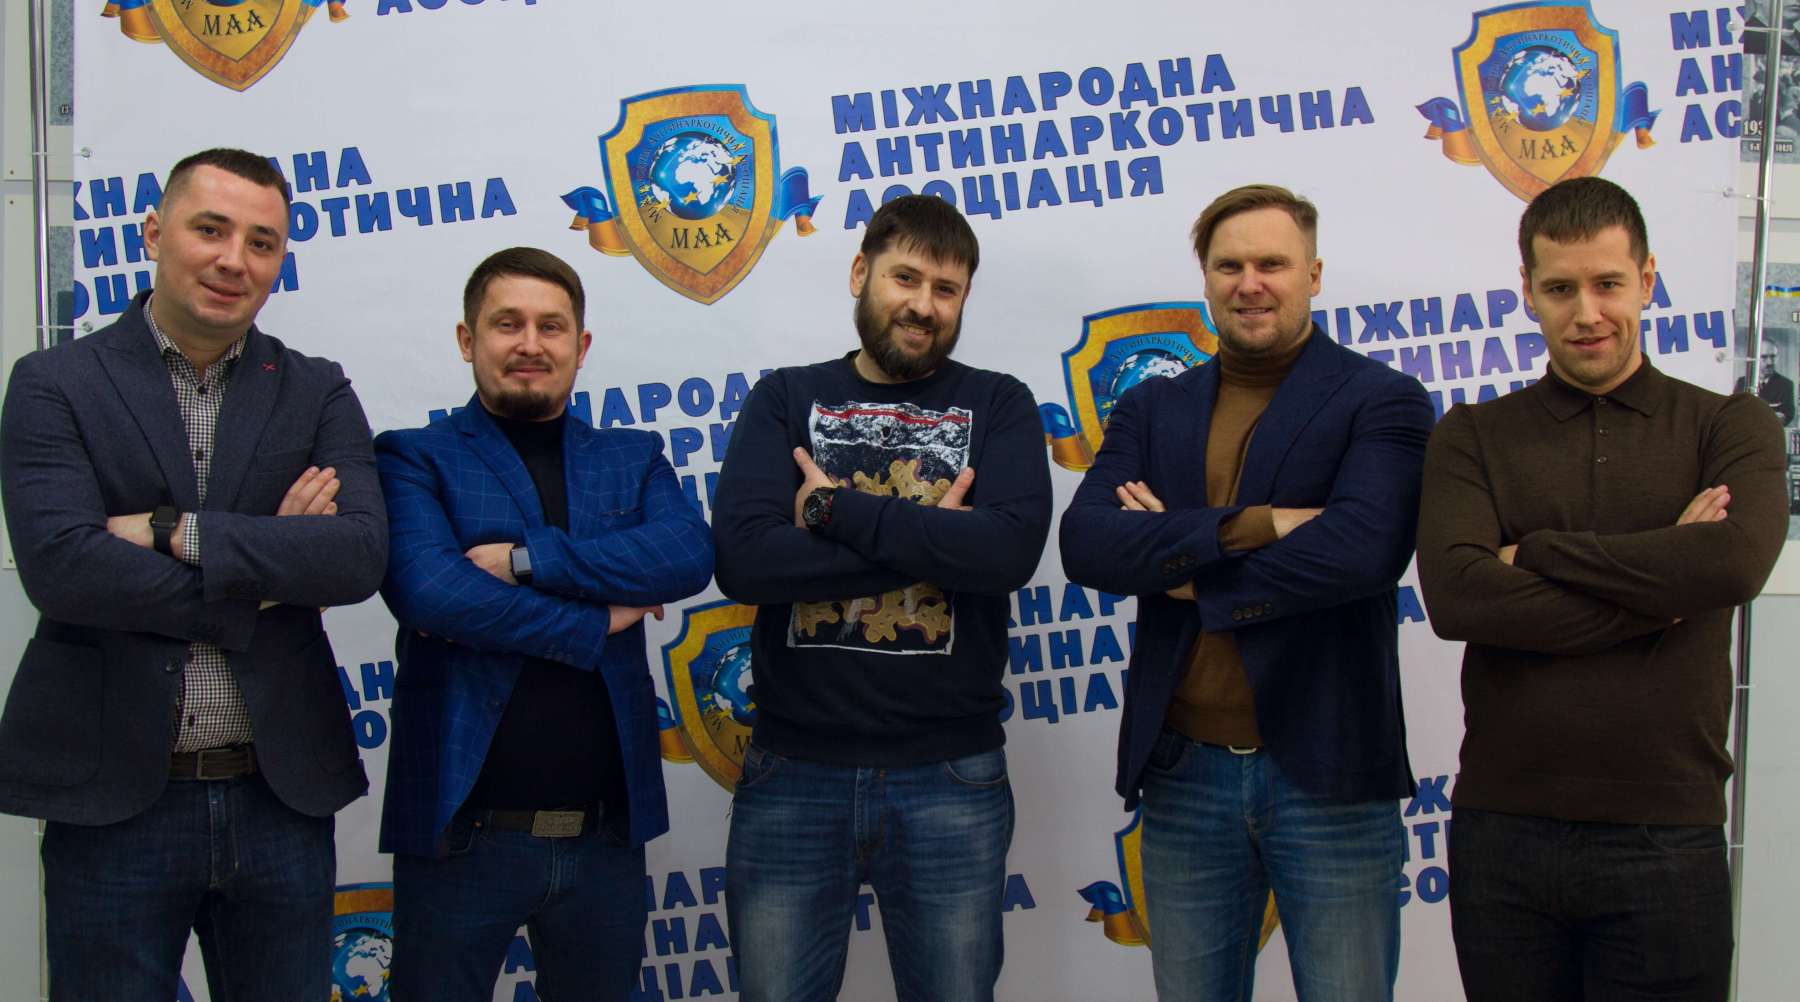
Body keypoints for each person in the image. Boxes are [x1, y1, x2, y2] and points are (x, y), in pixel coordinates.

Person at [0, 147, 387, 1000]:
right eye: (210, 229)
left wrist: (173, 532)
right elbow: (64, 568)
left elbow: (357, 555)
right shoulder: (54, 383)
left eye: (261, 242)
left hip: (279, 798)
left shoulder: (316, 390)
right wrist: (266, 571)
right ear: (153, 234)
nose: (232, 260)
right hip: (113, 799)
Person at [1416, 176, 1787, 1002]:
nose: (1586, 313)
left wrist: (1538, 552)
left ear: (1647, 281)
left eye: (1608, 283)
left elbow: (1732, 566)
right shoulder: (1471, 436)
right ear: (1528, 292)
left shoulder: (1731, 426)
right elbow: (1460, 597)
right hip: (1504, 836)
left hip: (1668, 836)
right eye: (1560, 289)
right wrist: (1666, 587)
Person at [1060, 183, 1432, 1001]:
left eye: (1272, 264)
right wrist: (1257, 525)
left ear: (1314, 274)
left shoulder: (1383, 399)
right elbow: (1087, 542)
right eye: (1229, 266)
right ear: (1205, 278)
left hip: (1331, 777)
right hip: (1184, 776)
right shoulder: (1151, 407)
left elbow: (1362, 551)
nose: (1249, 284)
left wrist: (1181, 568)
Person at [710, 194, 1052, 1002]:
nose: (923, 305)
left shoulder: (999, 403)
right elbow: (745, 561)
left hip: (951, 776)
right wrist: (934, 541)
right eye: (906, 278)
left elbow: (1005, 553)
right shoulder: (786, 398)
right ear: (861, 272)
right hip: (794, 773)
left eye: (946, 289)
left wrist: (834, 512)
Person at [375, 246, 713, 1001]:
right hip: (461, 837)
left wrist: (528, 561)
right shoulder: (413, 458)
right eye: (508, 324)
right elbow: (434, 593)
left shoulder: (633, 456)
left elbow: (688, 554)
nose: (530, 344)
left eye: (551, 326)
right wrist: (601, 621)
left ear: (580, 345)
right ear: (467, 339)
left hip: (605, 841)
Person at [1735, 341, 1795, 426]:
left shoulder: (1786, 385)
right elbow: (1735, 412)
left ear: (1777, 358)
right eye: (1764, 357)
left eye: (1773, 356)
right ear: (1755, 358)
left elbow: (1788, 415)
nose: (1769, 362)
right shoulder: (1742, 382)